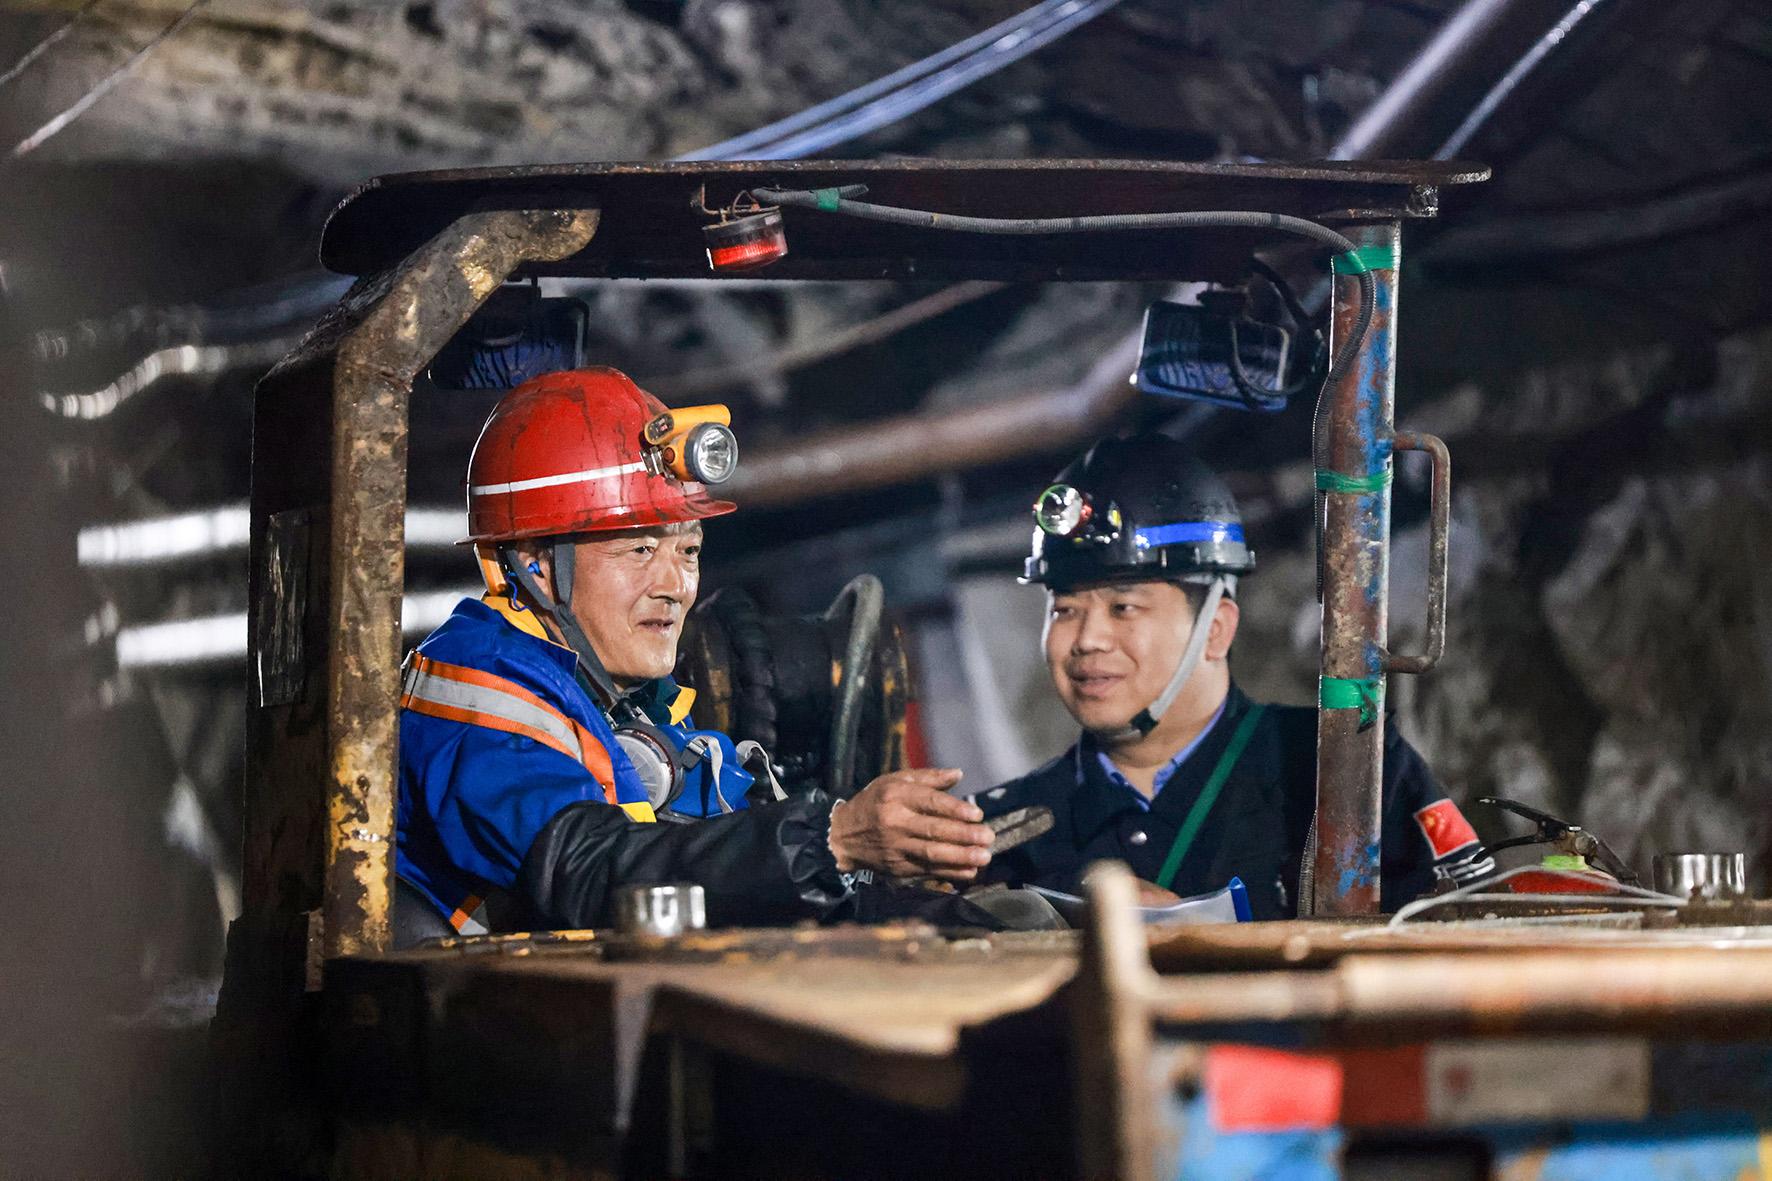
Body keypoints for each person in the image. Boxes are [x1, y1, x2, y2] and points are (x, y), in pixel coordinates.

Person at [394, 367, 995, 941]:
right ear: (536, 566)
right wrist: (831, 841)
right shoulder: (478, 689)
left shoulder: (629, 701)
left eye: (687, 551)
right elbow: (586, 868)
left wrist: (920, 903)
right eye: (638, 550)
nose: (675, 586)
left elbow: (716, 859)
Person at [973, 434, 1491, 919]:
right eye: (1064, 610)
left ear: (1216, 629)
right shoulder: (990, 832)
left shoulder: (1350, 769)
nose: (1088, 639)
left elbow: (1480, 926)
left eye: (1123, 607)